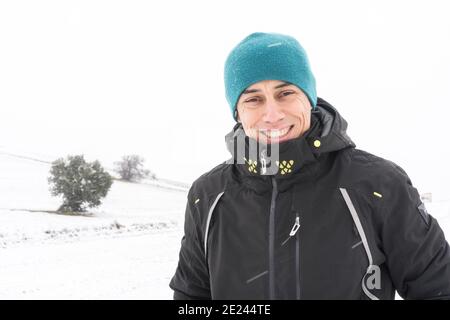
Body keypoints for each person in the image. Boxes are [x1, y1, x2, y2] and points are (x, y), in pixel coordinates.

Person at [169, 32, 450, 300]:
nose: (272, 114)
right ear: (238, 112)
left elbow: (439, 287)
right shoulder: (207, 195)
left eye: (285, 93)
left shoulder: (378, 184)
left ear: (309, 98)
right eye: (253, 99)